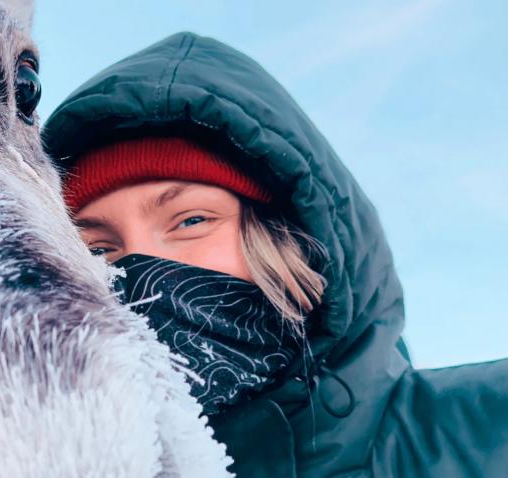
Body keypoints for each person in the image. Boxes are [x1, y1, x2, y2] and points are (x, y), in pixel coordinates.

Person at [41, 32, 508, 477]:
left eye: (191, 221)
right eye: (98, 248)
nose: (135, 269)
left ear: (291, 239)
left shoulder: (489, 425)